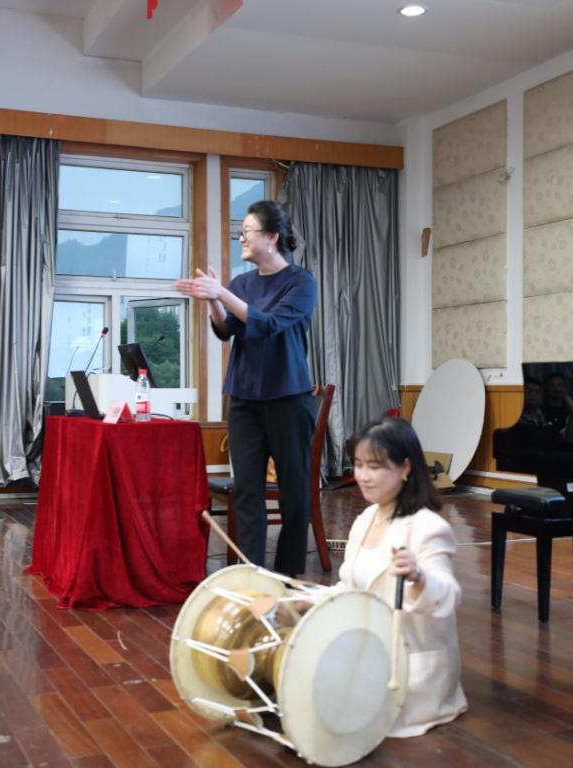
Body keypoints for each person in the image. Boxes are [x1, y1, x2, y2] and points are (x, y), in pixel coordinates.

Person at [174, 200, 318, 576]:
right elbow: (227, 330)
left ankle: (287, 574)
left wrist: (221, 294)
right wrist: (214, 301)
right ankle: (251, 574)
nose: (241, 238)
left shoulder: (302, 283)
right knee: (248, 491)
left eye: (247, 232)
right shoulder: (242, 284)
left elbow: (268, 325)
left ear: (271, 238)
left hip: (289, 398)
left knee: (294, 491)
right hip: (244, 398)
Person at [331, 417, 467, 737]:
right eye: (358, 465)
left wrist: (419, 577)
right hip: (370, 652)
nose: (362, 476)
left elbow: (449, 595)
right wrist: (301, 600)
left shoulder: (428, 527)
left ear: (405, 468)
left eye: (375, 466)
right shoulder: (366, 518)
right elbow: (349, 588)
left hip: (409, 670)